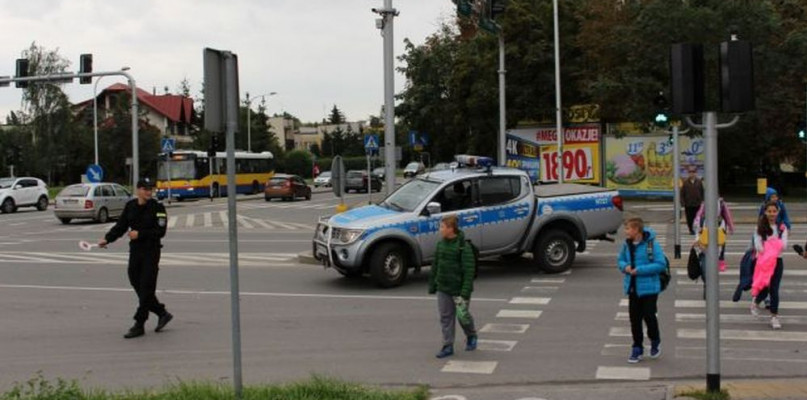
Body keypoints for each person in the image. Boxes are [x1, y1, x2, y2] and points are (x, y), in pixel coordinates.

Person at [99, 179, 173, 339]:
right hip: (135, 252)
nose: (148, 192)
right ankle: (162, 312)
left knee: (146, 287)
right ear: (138, 190)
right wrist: (107, 239)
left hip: (151, 252)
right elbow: (121, 226)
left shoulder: (157, 207)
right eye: (145, 189)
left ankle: (139, 324)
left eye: (150, 189)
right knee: (136, 283)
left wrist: (140, 234)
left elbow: (161, 231)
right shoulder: (131, 206)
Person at [617, 217, 666, 363]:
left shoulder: (651, 244)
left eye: (628, 228)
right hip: (633, 287)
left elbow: (660, 264)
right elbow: (620, 260)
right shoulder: (627, 245)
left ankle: (655, 340)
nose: (626, 231)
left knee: (649, 316)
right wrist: (624, 267)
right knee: (634, 319)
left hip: (649, 288)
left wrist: (640, 270)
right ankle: (637, 347)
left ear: (637, 230)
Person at [428, 215, 477, 359]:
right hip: (443, 288)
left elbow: (469, 270)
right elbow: (435, 265)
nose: (440, 229)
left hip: (459, 289)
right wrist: (433, 284)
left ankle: (471, 335)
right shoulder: (441, 244)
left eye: (442, 227)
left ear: (451, 229)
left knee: (463, 316)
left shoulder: (463, 246)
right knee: (445, 317)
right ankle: (447, 345)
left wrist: (465, 292)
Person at [751, 201, 786, 330]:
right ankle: (756, 301)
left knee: (774, 289)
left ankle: (774, 316)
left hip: (777, 261)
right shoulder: (759, 227)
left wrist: (771, 245)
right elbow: (759, 247)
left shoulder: (782, 228)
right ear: (765, 212)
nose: (772, 214)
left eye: (774, 211)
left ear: (778, 212)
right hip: (764, 262)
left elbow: (784, 246)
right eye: (769, 211)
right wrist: (773, 245)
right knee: (765, 287)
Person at [680, 167, 704, 235]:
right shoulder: (685, 182)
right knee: (690, 218)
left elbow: (702, 191)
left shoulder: (699, 182)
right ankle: (691, 229)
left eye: (693, 172)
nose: (692, 174)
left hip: (697, 203)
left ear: (695, 173)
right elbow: (682, 193)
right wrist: (683, 202)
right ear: (688, 174)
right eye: (690, 173)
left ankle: (698, 229)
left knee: (698, 217)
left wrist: (702, 200)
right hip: (688, 203)